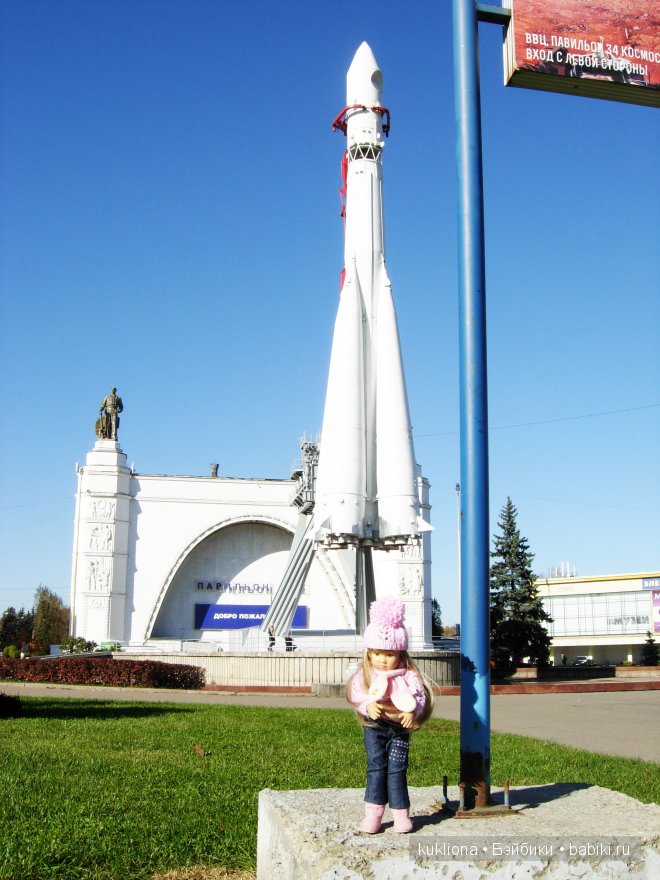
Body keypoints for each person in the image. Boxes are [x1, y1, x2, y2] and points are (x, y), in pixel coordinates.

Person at [347, 595, 433, 834]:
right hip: (374, 727)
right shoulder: (365, 674)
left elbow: (419, 697)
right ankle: (373, 815)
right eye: (377, 653)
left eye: (390, 654)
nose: (383, 660)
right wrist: (367, 706)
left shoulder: (408, 676)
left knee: (397, 769)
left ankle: (401, 815)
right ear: (369, 653)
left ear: (401, 654)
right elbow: (357, 693)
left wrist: (413, 712)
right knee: (376, 767)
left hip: (399, 729)